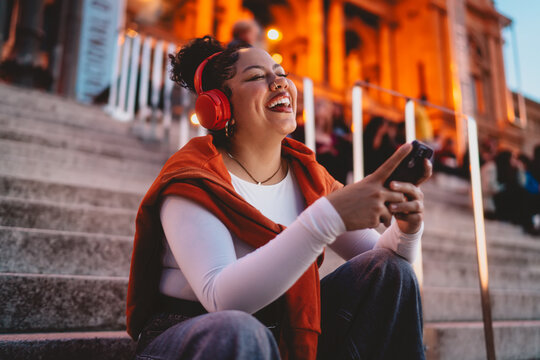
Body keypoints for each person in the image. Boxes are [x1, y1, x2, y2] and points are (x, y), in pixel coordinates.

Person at [127, 36, 432, 360]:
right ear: (216, 107)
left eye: (281, 72)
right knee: (241, 330)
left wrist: (405, 228)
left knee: (392, 272)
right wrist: (329, 217)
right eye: (257, 77)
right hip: (195, 334)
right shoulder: (192, 179)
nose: (280, 83)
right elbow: (223, 300)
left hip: (279, 329)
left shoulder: (309, 175)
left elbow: (382, 262)